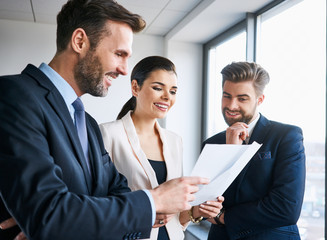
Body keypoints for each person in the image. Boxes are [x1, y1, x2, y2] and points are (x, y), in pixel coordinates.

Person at [0, 1, 209, 239]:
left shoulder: (87, 122)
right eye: (119, 54)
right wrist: (155, 200)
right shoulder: (14, 95)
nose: (123, 69)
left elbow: (116, 188)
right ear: (80, 41)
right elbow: (49, 214)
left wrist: (61, 218)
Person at [100, 56, 224, 240]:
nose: (167, 97)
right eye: (158, 88)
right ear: (135, 87)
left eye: (173, 91)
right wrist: (143, 212)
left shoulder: (175, 141)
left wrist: (197, 210)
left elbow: (176, 217)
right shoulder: (108, 134)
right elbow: (97, 203)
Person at [202, 61, 306, 240]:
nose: (231, 105)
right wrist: (229, 153)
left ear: (260, 100)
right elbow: (205, 203)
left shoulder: (287, 136)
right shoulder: (211, 143)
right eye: (226, 96)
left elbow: (286, 208)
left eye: (242, 99)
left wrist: (224, 217)